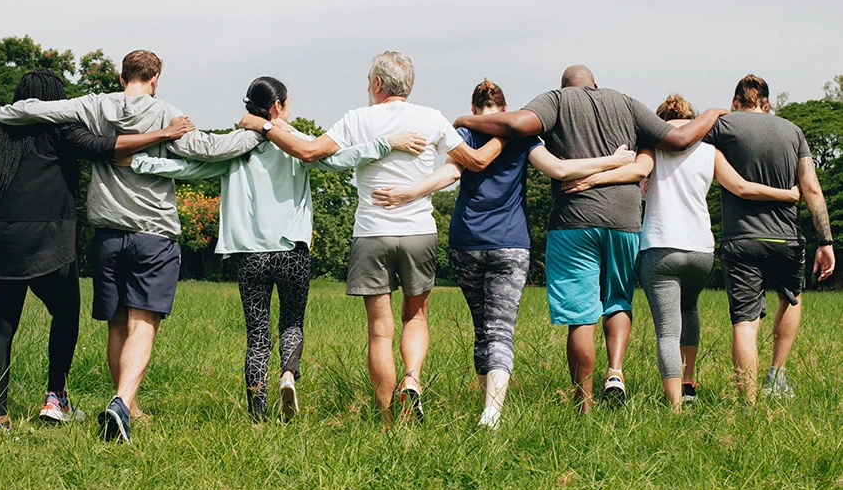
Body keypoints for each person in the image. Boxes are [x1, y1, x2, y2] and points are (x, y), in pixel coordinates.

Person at [0, 50, 263, 443]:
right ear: (155, 78)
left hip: (107, 235)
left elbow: (35, 110)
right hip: (154, 235)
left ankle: (128, 404)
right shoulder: (165, 112)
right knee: (144, 323)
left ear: (122, 78)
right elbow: (208, 149)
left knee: (118, 323)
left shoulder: (94, 106)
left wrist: (4, 113)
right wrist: (257, 132)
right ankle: (122, 403)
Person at [130, 76, 426, 421]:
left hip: (251, 255)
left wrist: (138, 162)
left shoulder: (235, 146)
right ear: (277, 107)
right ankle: (288, 373)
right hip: (293, 253)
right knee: (291, 324)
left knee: (257, 335)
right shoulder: (299, 144)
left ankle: (258, 418)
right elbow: (342, 158)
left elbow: (189, 168)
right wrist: (387, 143)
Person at [239, 52, 506, 426]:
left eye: (368, 81)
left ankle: (385, 420)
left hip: (371, 233)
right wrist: (505, 135)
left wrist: (263, 126)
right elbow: (475, 162)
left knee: (379, 331)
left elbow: (309, 151)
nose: (367, 88)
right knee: (416, 316)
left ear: (378, 84)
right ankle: (411, 378)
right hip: (417, 232)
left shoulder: (357, 119)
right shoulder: (430, 118)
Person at [453, 65, 727, 412]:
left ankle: (583, 404)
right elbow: (680, 139)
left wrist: (465, 119)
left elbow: (515, 125)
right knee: (617, 301)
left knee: (581, 314)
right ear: (595, 85)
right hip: (624, 219)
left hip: (573, 221)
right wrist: (713, 112)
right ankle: (615, 371)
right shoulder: (626, 103)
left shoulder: (556, 101)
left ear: (564, 86)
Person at [371, 79, 635, 429]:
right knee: (500, 329)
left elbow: (449, 173)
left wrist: (411, 193)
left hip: (466, 242)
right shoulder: (524, 137)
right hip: (510, 243)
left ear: (474, 108)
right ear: (506, 110)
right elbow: (559, 170)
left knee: (483, 329)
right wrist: (612, 161)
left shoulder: (465, 135)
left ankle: (487, 407)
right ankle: (491, 414)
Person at [0, 69, 193, 431]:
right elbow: (105, 147)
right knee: (64, 315)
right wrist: (165, 133)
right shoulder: (60, 130)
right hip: (48, 244)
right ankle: (54, 398)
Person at [562, 93, 799, 409]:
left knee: (667, 332)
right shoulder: (709, 149)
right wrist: (788, 194)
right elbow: (741, 187)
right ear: (692, 117)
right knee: (690, 310)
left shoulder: (654, 145)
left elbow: (633, 176)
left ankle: (673, 406)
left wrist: (590, 181)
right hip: (701, 249)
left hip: (660, 245)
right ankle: (688, 386)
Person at [702, 75, 835, 404]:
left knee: (745, 323)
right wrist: (826, 241)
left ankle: (748, 405)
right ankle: (776, 375)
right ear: (768, 103)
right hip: (786, 239)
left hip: (742, 240)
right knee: (791, 297)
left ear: (735, 102)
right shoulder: (793, 132)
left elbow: (686, 136)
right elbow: (812, 189)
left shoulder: (724, 127)